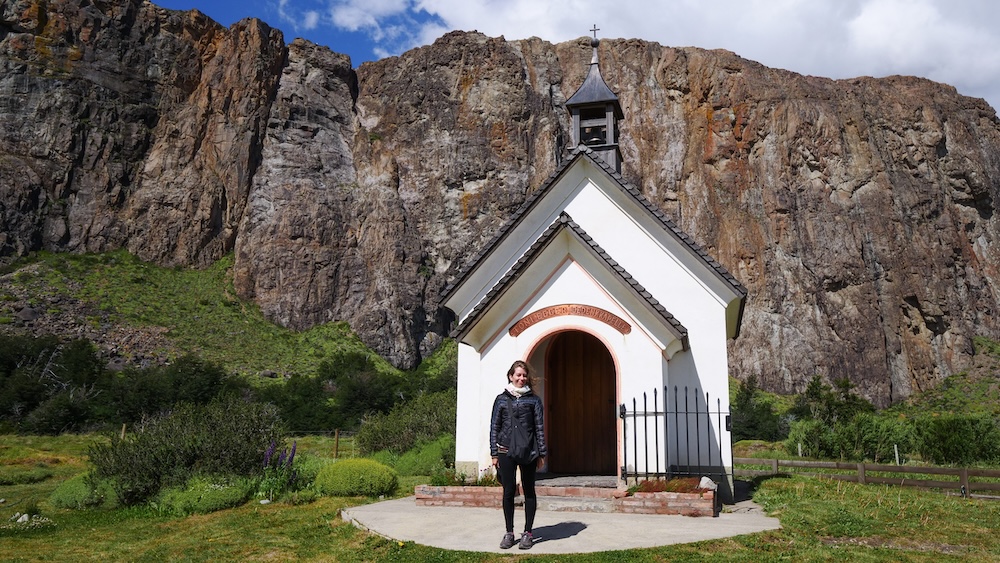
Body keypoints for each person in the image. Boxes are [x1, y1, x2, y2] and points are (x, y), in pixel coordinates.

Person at [490, 360, 547, 550]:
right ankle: (509, 532)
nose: (521, 378)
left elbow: (539, 427)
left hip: (529, 451)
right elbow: (494, 427)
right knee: (508, 492)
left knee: (529, 491)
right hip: (505, 450)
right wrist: (494, 453)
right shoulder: (500, 399)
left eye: (524, 375)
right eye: (518, 375)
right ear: (510, 376)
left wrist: (542, 453)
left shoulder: (534, 400)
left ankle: (528, 533)